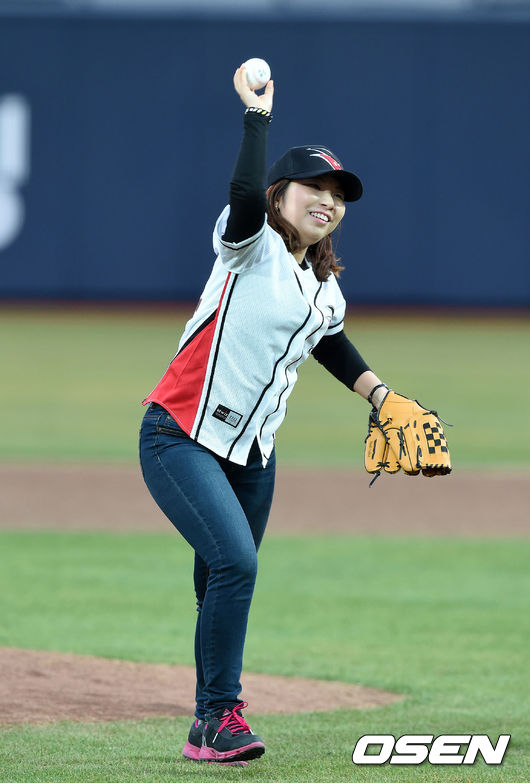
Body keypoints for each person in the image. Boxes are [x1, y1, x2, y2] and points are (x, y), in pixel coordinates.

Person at [139, 65, 391, 766]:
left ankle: (204, 724)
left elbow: (330, 342)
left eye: (338, 194)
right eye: (315, 187)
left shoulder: (324, 286)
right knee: (236, 563)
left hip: (252, 457)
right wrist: (258, 116)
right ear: (281, 195)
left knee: (218, 580)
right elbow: (245, 194)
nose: (329, 200)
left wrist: (381, 395)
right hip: (179, 434)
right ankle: (222, 714)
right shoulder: (249, 243)